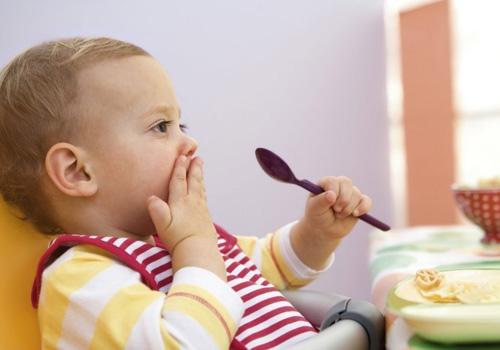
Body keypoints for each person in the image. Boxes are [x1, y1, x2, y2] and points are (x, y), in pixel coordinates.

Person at [0, 37, 372, 349]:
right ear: (78, 171)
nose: (189, 142)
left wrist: (317, 233)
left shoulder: (184, 242)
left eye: (182, 123)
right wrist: (195, 246)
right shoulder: (79, 281)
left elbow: (273, 267)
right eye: (161, 126)